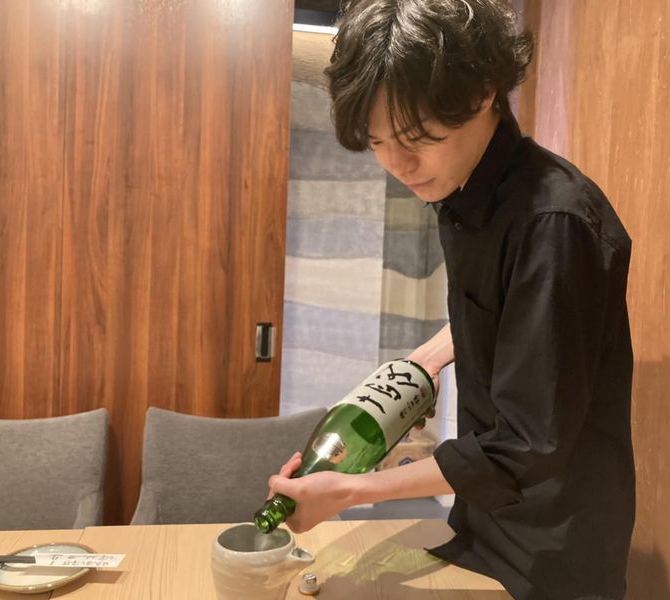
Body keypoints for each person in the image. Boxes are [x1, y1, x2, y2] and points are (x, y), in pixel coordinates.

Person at [268, 1, 636, 599]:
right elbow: (497, 311)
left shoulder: (553, 224)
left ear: (484, 92)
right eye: (378, 141)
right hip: (482, 520)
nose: (398, 164)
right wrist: (423, 365)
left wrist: (351, 492)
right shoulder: (462, 190)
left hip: (553, 548)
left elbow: (527, 444)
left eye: (417, 138)